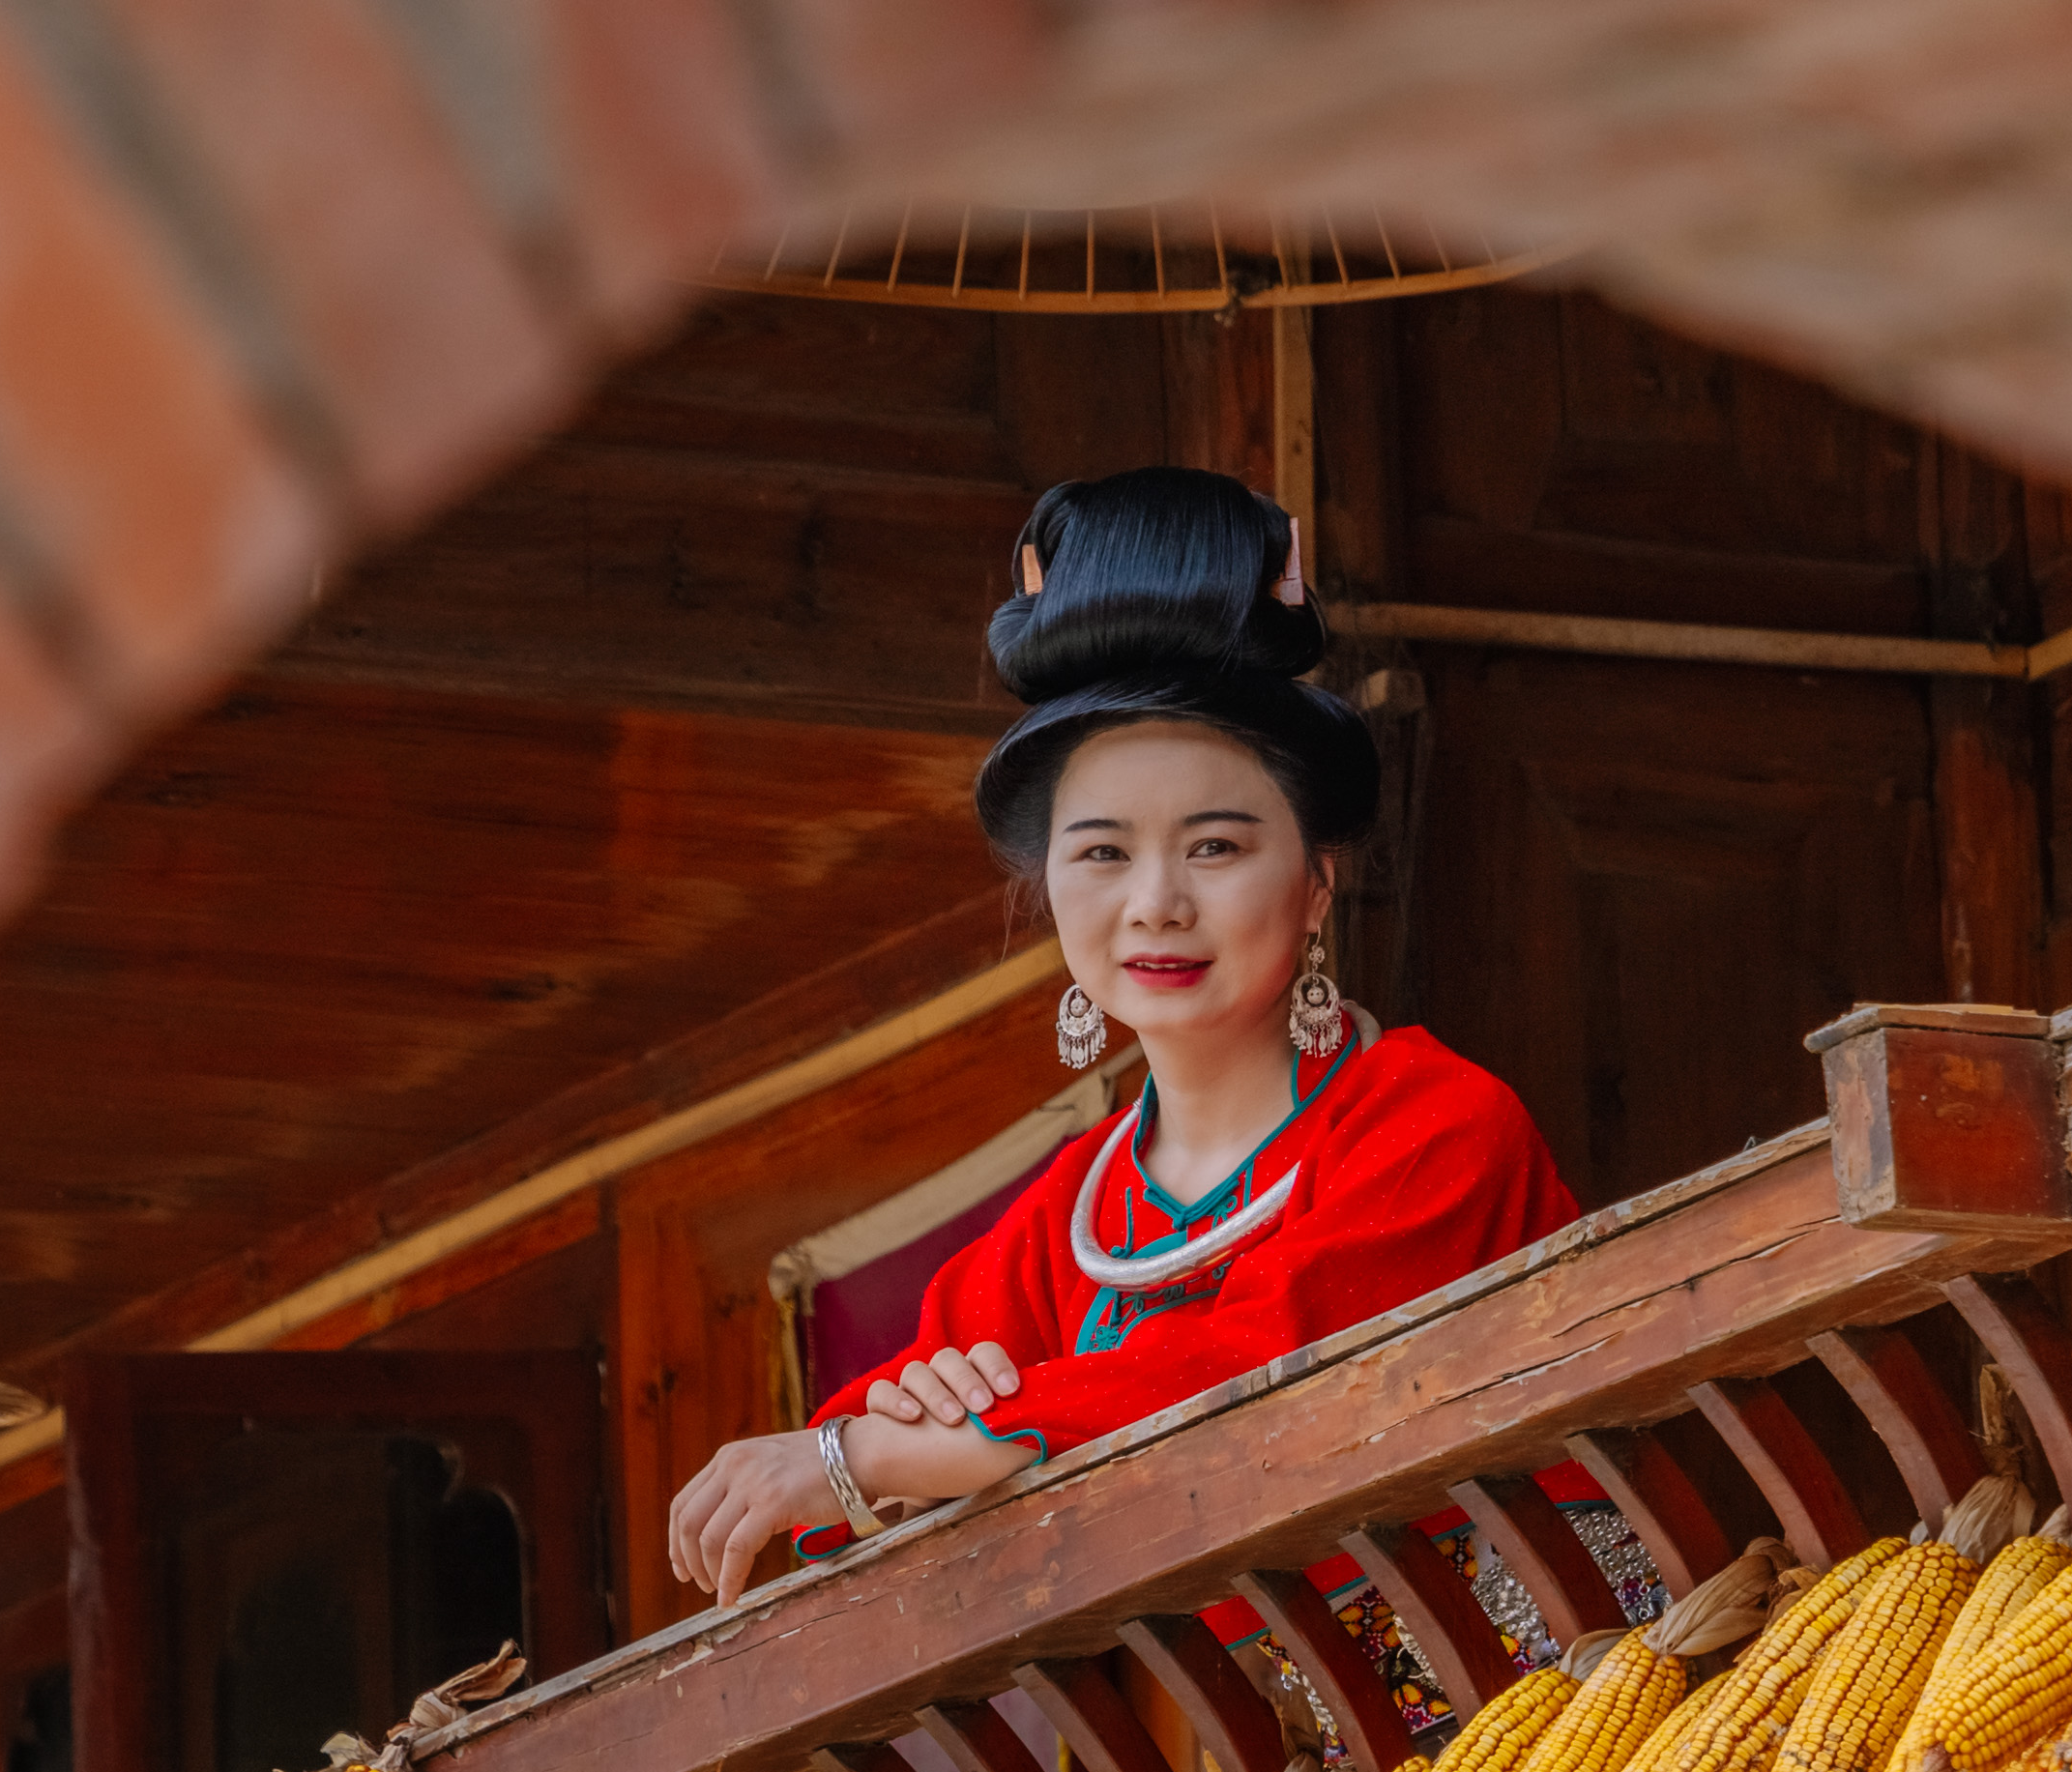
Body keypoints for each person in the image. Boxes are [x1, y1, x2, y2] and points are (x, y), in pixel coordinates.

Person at [661, 467, 1582, 1609]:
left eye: (1215, 847)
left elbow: (1254, 1374)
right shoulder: (1072, 1215)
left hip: (1542, 1692)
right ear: (1049, 887)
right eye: (1102, 852)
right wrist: (885, 1442)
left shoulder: (1436, 1125)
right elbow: (875, 1425)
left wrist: (890, 1454)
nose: (1155, 903)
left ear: (1315, 885)